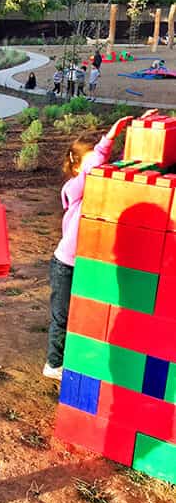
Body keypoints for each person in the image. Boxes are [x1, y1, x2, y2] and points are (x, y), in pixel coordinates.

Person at [43, 111, 156, 380]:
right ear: (75, 169)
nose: (97, 166)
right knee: (62, 317)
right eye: (89, 161)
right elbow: (94, 167)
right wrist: (110, 137)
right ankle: (53, 364)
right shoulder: (73, 189)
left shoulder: (96, 192)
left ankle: (73, 356)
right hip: (65, 265)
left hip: (85, 263)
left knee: (82, 313)